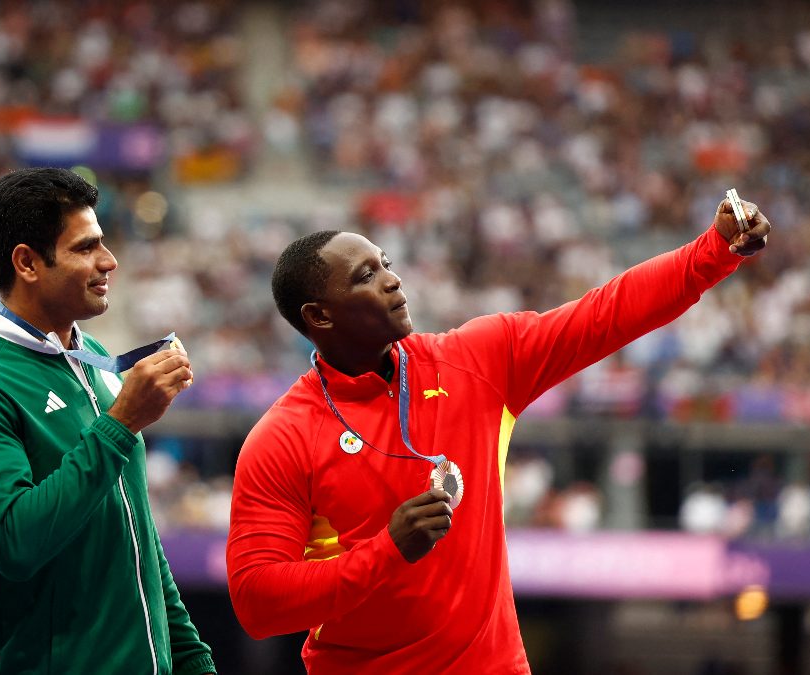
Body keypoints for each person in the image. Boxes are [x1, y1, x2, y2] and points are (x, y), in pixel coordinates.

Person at [226, 196, 771, 674]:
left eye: (386, 264)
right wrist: (386, 552)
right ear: (319, 316)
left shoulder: (477, 359)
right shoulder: (283, 437)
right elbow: (257, 603)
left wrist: (715, 250)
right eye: (366, 276)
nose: (393, 279)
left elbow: (606, 314)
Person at [0, 167, 216, 675]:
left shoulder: (93, 356)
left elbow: (136, 538)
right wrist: (121, 421)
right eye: (85, 248)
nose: (109, 261)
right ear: (26, 262)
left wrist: (195, 660)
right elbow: (15, 542)